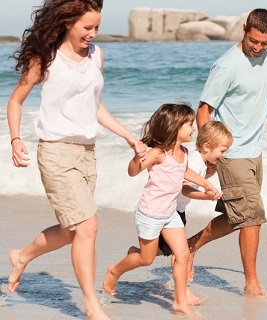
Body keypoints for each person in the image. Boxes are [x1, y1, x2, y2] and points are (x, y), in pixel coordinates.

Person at [6, 1, 145, 319]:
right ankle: (91, 306)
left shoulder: (97, 55)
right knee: (88, 227)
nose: (93, 33)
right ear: (68, 22)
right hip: (55, 152)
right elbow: (16, 100)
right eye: (87, 27)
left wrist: (128, 136)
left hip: (87, 154)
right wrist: (15, 139)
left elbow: (94, 106)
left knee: (73, 230)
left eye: (97, 27)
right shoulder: (45, 57)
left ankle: (22, 256)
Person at [192, 8, 267, 298]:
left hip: (255, 152)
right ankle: (252, 285)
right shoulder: (227, 65)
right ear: (244, 30)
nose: (258, 48)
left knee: (238, 218)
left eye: (265, 43)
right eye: (254, 41)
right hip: (230, 154)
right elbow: (204, 110)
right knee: (254, 216)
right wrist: (208, 154)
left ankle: (186, 247)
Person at [102, 103, 220, 319]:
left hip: (170, 214)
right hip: (150, 214)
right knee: (146, 259)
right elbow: (132, 171)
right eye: (190, 124)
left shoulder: (183, 152)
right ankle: (114, 271)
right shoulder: (158, 154)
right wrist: (137, 157)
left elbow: (185, 171)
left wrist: (206, 183)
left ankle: (179, 302)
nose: (193, 128)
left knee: (183, 254)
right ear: (175, 127)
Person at [127, 120, 233, 306]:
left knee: (163, 252)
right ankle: (184, 293)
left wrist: (207, 176)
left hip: (176, 211)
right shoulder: (193, 160)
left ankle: (136, 253)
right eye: (222, 151)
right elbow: (184, 189)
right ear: (207, 147)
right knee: (180, 254)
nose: (224, 156)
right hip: (169, 210)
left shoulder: (199, 161)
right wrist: (206, 195)